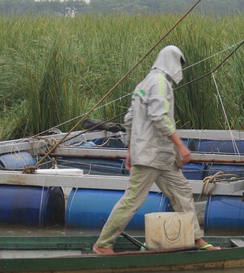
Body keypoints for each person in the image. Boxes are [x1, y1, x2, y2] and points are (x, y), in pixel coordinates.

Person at [93, 45, 219, 254]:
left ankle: (196, 238)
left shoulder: (143, 83)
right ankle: (103, 244)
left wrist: (131, 150)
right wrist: (180, 145)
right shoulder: (160, 83)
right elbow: (159, 117)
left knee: (182, 193)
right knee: (133, 199)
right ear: (172, 61)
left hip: (161, 156)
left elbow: (129, 119)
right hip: (152, 154)